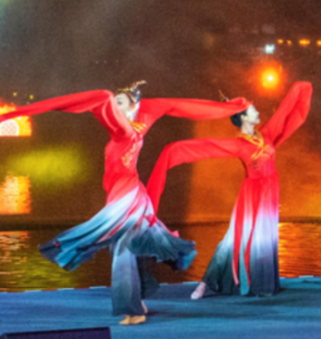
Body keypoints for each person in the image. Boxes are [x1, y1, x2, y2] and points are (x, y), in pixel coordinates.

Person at [0, 83, 249, 325]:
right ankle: (137, 302)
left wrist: (102, 99)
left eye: (119, 103)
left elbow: (107, 102)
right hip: (129, 194)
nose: (115, 108)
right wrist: (230, 107)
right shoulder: (138, 124)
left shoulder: (125, 132)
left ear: (132, 108)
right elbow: (180, 106)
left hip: (126, 198)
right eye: (115, 104)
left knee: (122, 251)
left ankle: (133, 310)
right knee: (128, 248)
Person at [145, 82, 312, 299]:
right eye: (253, 110)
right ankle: (205, 283)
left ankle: (261, 284)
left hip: (270, 193)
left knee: (265, 240)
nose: (258, 112)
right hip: (252, 195)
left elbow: (284, 112)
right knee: (233, 240)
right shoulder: (238, 145)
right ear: (243, 117)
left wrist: (299, 88)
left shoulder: (267, 134)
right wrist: (172, 151)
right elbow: (206, 147)